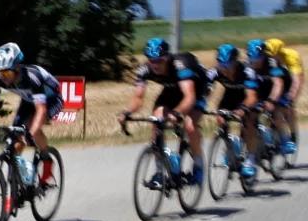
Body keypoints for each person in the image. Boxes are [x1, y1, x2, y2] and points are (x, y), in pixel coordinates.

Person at [121, 37, 208, 184]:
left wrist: (177, 113)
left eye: (159, 61)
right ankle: (159, 172)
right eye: (151, 60)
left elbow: (189, 96)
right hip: (171, 90)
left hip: (196, 90)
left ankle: (198, 165)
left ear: (167, 58)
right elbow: (138, 97)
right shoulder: (145, 70)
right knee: (156, 120)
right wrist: (127, 112)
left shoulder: (181, 65)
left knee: (190, 125)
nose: (155, 64)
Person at [0, 42, 64, 184]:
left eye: (6, 73)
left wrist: (30, 132)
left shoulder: (32, 78)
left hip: (51, 100)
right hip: (28, 100)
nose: (2, 77)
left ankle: (46, 160)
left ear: (17, 68)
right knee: (16, 138)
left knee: (32, 128)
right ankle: (19, 181)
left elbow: (41, 110)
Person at [205, 44, 259, 179]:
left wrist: (243, 109)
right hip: (229, 96)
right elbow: (204, 91)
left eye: (228, 66)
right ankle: (229, 149)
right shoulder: (214, 72)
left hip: (246, 97)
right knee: (221, 118)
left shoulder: (247, 72)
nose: (225, 70)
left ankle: (250, 160)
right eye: (222, 65)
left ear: (235, 62)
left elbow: (252, 97)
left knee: (249, 121)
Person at [264, 38, 300, 154]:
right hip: (274, 81)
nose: (268, 56)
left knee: (288, 107)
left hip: (288, 79)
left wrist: (292, 95)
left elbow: (296, 80)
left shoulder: (291, 56)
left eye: (271, 54)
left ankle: (292, 136)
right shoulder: (266, 58)